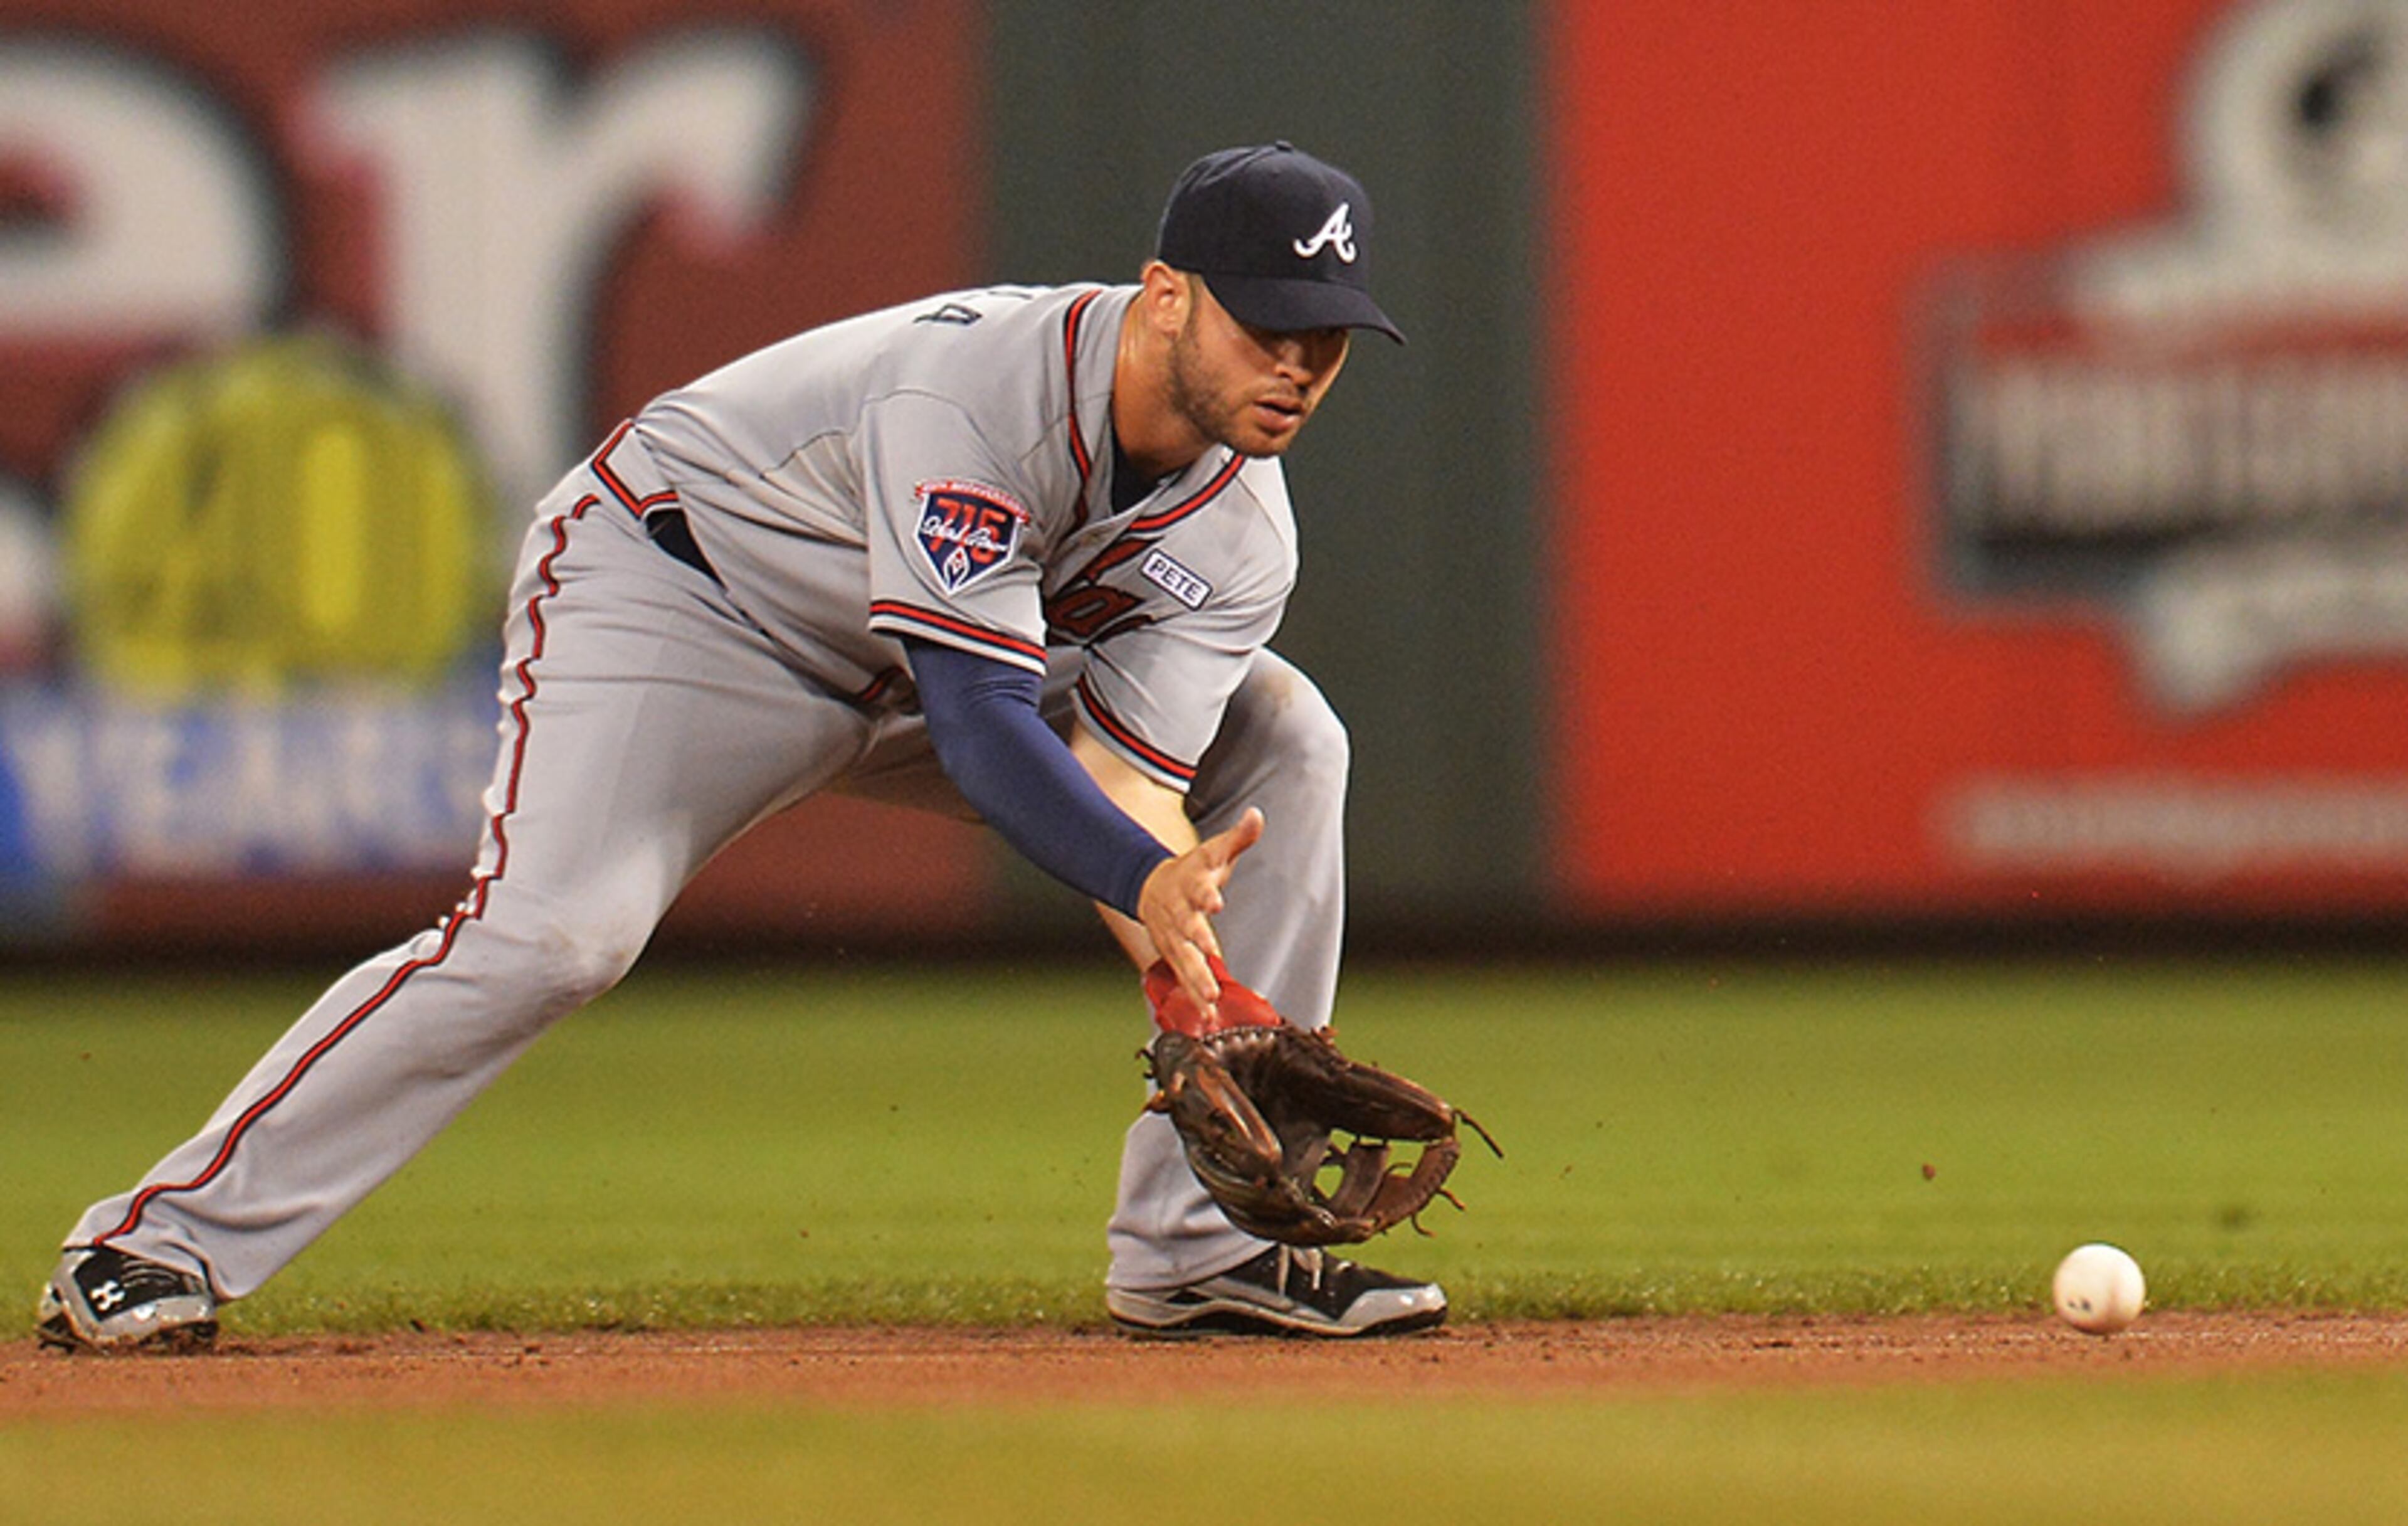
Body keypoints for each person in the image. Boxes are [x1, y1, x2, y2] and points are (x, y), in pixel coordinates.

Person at [36, 142, 1442, 1350]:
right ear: (1166, 299)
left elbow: (1123, 787)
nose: (1299, 368)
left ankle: (1202, 1261)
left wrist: (1196, 998)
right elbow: (985, 731)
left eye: (1325, 339)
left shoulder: (1242, 530)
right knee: (553, 938)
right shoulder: (976, 394)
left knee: (1288, 740)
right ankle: (157, 1242)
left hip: (913, 662)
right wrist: (1144, 881)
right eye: (1268, 328)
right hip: (684, 599)